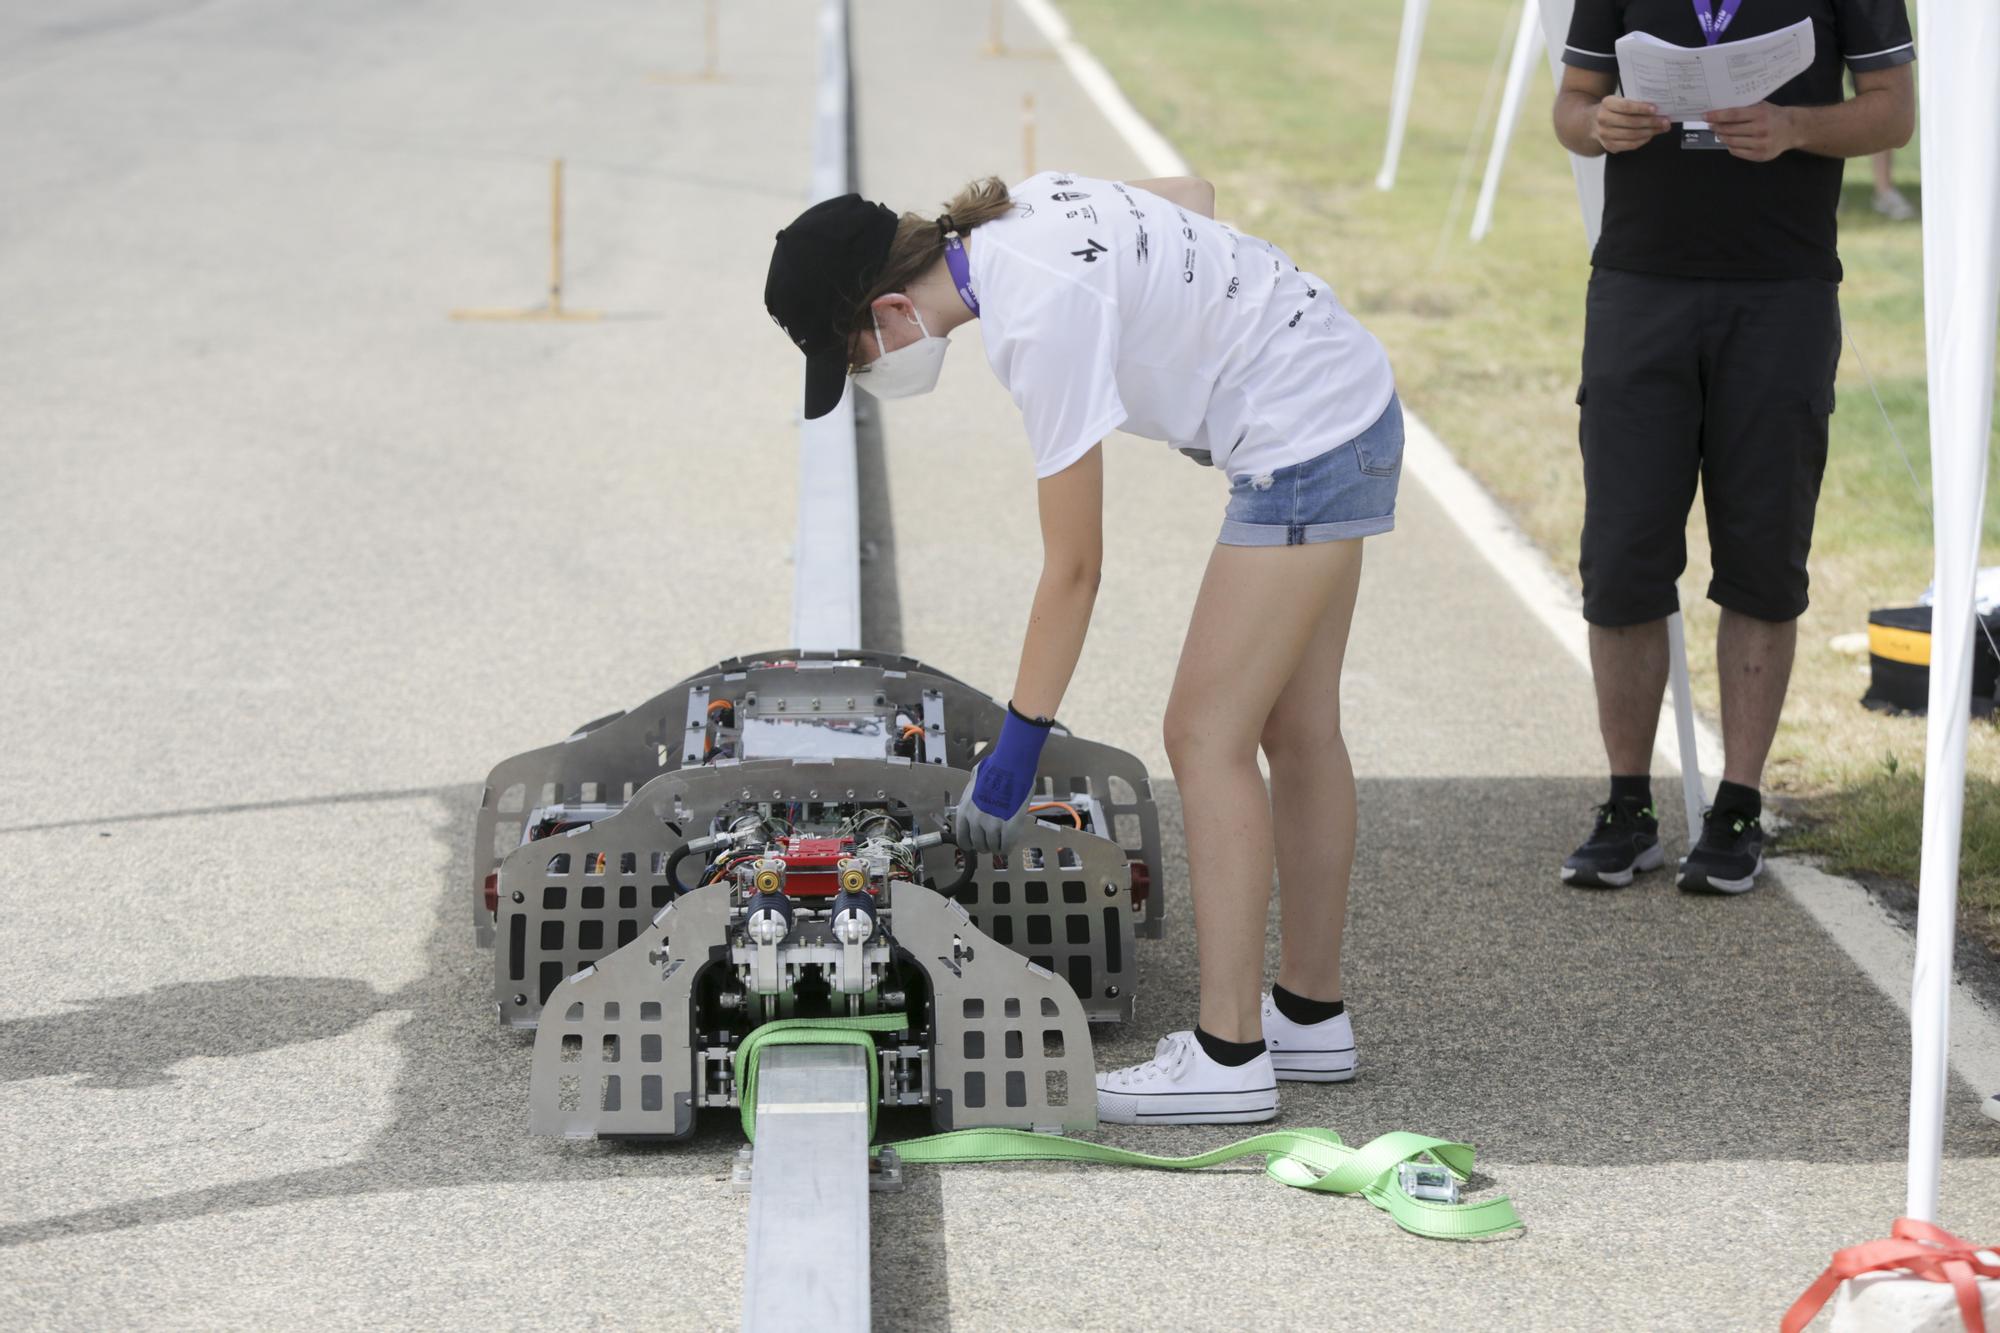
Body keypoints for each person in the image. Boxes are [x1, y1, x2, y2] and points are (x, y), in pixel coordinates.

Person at [764, 172, 1399, 1124]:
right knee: (1300, 730)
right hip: (1346, 396)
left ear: (892, 309)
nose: (866, 375)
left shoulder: (1033, 320)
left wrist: (1016, 750)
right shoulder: (1020, 207)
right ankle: (1310, 1012)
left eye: (854, 357)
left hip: (1302, 443)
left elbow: (1075, 568)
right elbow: (1191, 196)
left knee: (1203, 735)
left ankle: (1230, 1055)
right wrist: (1196, 361)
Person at [1551, 0, 1914, 894]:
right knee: (1623, 551)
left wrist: (1796, 125)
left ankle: (1739, 806)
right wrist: (1599, 123)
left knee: (1762, 545)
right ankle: (1628, 805)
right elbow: (1571, 105)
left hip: (1780, 291)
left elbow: (1894, 109)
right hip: (1640, 286)